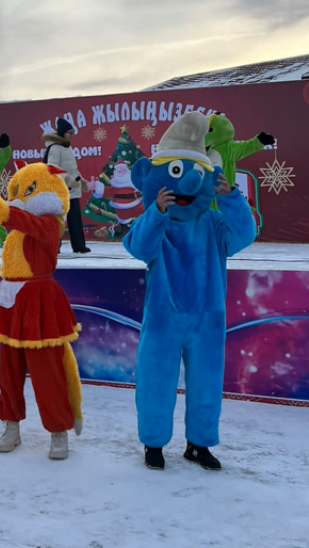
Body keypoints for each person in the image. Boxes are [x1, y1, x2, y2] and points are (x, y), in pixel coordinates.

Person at [123, 112, 256, 470]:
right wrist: (156, 212)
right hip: (163, 319)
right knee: (155, 381)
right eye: (176, 172)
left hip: (207, 320)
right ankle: (153, 443)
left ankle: (199, 444)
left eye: (195, 174)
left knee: (206, 384)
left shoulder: (213, 222)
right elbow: (138, 248)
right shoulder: (156, 221)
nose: (186, 184)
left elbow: (244, 235)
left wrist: (231, 199)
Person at [0, 160, 84, 460]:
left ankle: (58, 430)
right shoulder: (15, 232)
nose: (19, 196)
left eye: (27, 189)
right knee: (8, 371)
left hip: (40, 302)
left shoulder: (51, 224)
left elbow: (28, 223)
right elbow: (11, 268)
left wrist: (6, 212)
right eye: (16, 191)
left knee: (47, 372)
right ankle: (11, 427)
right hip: (11, 302)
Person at [42, 118, 91, 253]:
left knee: (75, 220)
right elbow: (52, 169)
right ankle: (54, 246)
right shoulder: (55, 148)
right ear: (63, 132)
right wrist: (68, 179)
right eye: (69, 132)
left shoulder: (67, 147)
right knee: (58, 221)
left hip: (72, 191)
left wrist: (81, 180)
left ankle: (79, 246)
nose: (71, 135)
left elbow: (72, 169)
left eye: (72, 132)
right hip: (60, 191)